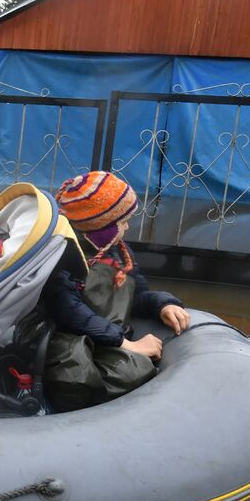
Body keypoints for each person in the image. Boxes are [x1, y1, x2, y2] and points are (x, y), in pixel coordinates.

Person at [42, 171, 191, 408]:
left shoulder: (119, 253)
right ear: (101, 228)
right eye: (122, 222)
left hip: (106, 334)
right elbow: (69, 312)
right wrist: (128, 345)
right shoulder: (64, 257)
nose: (128, 227)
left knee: (134, 367)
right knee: (76, 373)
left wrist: (164, 304)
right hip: (68, 336)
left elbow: (138, 294)